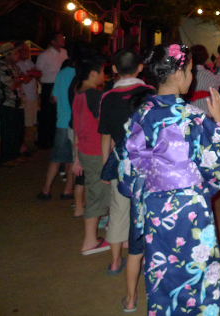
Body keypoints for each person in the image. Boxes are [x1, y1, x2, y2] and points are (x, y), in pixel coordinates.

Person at [118, 44, 220, 316]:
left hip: (154, 208)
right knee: (200, 272)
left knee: (163, 270)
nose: (192, 77)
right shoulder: (192, 117)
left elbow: (127, 171)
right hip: (188, 208)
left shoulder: (138, 115)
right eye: (188, 71)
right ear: (176, 75)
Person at [97, 49, 154, 291]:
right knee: (148, 212)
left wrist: (105, 168)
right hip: (147, 164)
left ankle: (115, 261)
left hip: (121, 163)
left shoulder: (108, 97)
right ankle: (147, 258)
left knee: (118, 210)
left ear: (114, 70)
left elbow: (106, 137)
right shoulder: (151, 94)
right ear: (140, 67)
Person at [71, 53, 112, 255]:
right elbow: (103, 127)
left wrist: (77, 156)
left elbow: (77, 126)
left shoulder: (79, 92)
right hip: (97, 152)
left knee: (96, 192)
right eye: (103, 71)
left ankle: (99, 234)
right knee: (97, 195)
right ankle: (90, 242)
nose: (104, 74)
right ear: (94, 73)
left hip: (85, 150)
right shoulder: (94, 95)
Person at [37, 56, 77, 201]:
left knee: (55, 159)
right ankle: (68, 190)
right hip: (76, 122)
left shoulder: (62, 73)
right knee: (73, 158)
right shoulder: (81, 74)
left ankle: (46, 189)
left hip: (62, 121)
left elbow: (54, 98)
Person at [0, 43, 27, 167]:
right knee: (8, 132)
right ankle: (6, 158)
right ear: (7, 55)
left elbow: (22, 78)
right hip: (7, 104)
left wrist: (19, 79)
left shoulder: (14, 67)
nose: (18, 55)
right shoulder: (1, 68)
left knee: (17, 132)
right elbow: (12, 84)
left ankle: (15, 155)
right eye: (15, 53)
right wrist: (20, 79)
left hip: (17, 103)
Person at [35, 32, 68, 149]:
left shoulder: (64, 52)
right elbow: (38, 72)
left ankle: (56, 139)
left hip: (62, 86)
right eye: (60, 38)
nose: (63, 39)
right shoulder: (44, 55)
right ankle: (44, 141)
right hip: (49, 85)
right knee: (47, 114)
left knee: (59, 113)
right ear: (53, 41)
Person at [15, 41, 40, 155]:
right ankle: (21, 146)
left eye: (27, 50)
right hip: (25, 97)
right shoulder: (17, 65)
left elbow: (37, 74)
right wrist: (32, 74)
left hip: (33, 96)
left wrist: (33, 73)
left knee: (30, 122)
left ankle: (25, 144)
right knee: (24, 123)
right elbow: (26, 78)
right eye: (24, 50)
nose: (27, 52)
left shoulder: (29, 62)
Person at [188, 45, 220, 115]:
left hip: (188, 107)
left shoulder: (188, 72)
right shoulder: (206, 74)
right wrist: (219, 66)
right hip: (203, 108)